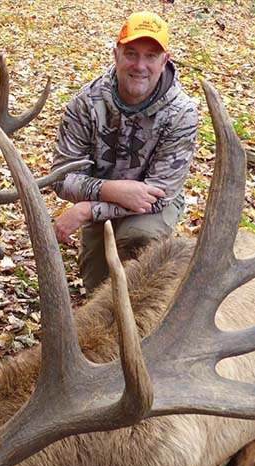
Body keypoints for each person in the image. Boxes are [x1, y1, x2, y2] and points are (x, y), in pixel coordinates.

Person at [50, 11, 199, 292]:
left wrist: (88, 210)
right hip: (102, 196)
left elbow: (159, 195)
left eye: (151, 56)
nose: (140, 65)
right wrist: (110, 191)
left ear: (165, 61)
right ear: (116, 54)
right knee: (97, 286)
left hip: (151, 207)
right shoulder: (85, 103)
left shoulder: (182, 114)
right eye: (131, 53)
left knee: (138, 242)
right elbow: (61, 178)